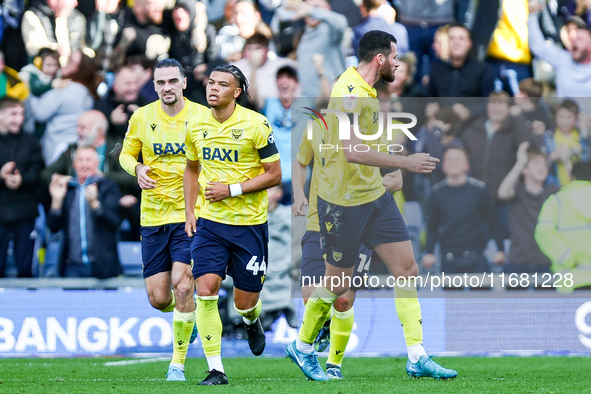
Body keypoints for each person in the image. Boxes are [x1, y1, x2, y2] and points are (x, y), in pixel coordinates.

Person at [285, 30, 456, 381]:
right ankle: (302, 347)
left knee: (407, 269)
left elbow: (369, 147)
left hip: (373, 198)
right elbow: (350, 150)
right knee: (336, 286)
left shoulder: (367, 91)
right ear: (380, 59)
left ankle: (416, 355)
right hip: (343, 203)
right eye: (394, 57)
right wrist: (406, 163)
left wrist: (392, 171)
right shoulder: (349, 93)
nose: (397, 63)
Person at [184, 64, 281, 385]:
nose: (213, 88)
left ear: (237, 92)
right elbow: (192, 170)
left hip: (249, 225)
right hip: (210, 223)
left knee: (244, 301)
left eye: (222, 85)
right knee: (206, 289)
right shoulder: (196, 124)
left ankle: (252, 321)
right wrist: (189, 212)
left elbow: (274, 174)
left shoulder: (256, 124)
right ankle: (216, 369)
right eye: (211, 83)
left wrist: (232, 189)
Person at [292, 121, 404, 379]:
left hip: (357, 225)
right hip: (317, 224)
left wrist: (364, 193)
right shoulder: (313, 128)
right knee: (311, 296)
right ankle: (323, 326)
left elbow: (396, 179)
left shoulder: (376, 134)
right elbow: (300, 162)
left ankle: (333, 365)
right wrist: (299, 194)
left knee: (343, 299)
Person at [119, 58, 207, 381]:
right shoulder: (142, 117)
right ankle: (190, 317)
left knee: (182, 284)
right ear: (154, 86)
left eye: (172, 81)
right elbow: (125, 155)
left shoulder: (201, 117)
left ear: (184, 83)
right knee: (159, 299)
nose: (166, 88)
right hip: (152, 215)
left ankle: (177, 365)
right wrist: (138, 169)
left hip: (190, 214)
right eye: (160, 83)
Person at [40, 110, 141, 240]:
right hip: (74, 206)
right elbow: (45, 174)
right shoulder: (72, 150)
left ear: (98, 131)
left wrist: (103, 175)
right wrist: (58, 177)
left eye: (82, 127)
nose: (78, 131)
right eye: (77, 127)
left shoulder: (118, 148)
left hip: (112, 207)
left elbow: (134, 177)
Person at [422, 148, 505, 274]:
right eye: (449, 159)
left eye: (457, 159)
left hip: (477, 256)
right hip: (448, 258)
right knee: (451, 294)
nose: (453, 162)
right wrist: (429, 253)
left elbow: (493, 222)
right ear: (443, 166)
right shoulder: (436, 193)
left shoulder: (480, 190)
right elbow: (432, 227)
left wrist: (500, 249)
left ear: (466, 165)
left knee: (481, 294)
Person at [47, 145, 122, 278]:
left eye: (88, 160)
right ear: (74, 164)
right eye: (80, 160)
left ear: (97, 163)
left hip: (103, 266)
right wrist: (56, 202)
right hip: (72, 266)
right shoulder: (68, 189)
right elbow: (53, 227)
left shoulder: (108, 186)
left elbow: (115, 221)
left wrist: (96, 205)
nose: (84, 164)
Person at [27, 50, 101, 165]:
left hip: (56, 149)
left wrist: (28, 91)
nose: (65, 64)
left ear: (80, 69)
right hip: (75, 148)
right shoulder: (88, 92)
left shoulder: (65, 89)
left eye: (71, 61)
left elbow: (40, 113)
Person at [498, 142, 558, 275]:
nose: (542, 167)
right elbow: (502, 192)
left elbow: (571, 195)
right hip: (518, 262)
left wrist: (566, 163)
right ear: (525, 170)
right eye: (536, 163)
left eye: (544, 163)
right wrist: (520, 162)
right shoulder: (517, 191)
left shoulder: (552, 191)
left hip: (546, 262)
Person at [0, 97, 44, 278]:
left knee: (26, 270)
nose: (19, 119)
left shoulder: (30, 140)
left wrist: (22, 179)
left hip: (25, 211)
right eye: (13, 114)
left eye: (21, 114)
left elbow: (39, 172)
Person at [535, 161, 591, 291]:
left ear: (572, 178)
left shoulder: (557, 201)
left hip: (572, 280)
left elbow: (543, 232)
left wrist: (567, 257)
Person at [529, 0, 591, 99]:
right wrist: (532, 15)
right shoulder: (564, 59)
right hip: (564, 112)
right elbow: (537, 45)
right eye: (573, 39)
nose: (574, 41)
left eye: (580, 39)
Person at [285, 0, 348, 97]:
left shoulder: (330, 30)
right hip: (309, 100)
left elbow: (341, 22)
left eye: (316, 7)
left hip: (333, 98)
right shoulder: (303, 35)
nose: (309, 12)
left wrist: (311, 10)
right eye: (306, 7)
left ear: (328, 8)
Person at [427, 23, 494, 98]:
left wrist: (469, 109)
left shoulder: (482, 70)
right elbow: (430, 98)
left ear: (469, 43)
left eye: (461, 38)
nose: (456, 42)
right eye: (452, 38)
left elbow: (487, 102)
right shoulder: (437, 69)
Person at [543, 100, 590, 186]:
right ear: (555, 117)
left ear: (576, 118)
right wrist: (552, 157)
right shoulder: (548, 137)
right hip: (556, 185)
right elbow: (541, 163)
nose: (565, 121)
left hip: (580, 185)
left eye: (569, 117)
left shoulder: (582, 136)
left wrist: (585, 131)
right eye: (561, 116)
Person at [94, 66, 144, 140]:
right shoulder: (102, 106)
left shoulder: (149, 104)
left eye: (136, 82)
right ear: (115, 86)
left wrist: (145, 118)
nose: (133, 88)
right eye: (128, 84)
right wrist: (110, 121)